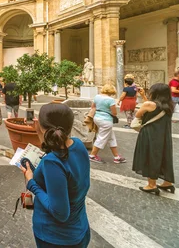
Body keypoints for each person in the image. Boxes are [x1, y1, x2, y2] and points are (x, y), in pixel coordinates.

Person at [19, 103, 91, 248]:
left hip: (56, 238)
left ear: (40, 125)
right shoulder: (78, 145)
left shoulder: (52, 162)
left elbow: (60, 213)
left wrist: (31, 182)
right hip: (79, 229)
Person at [132, 83, 175, 195]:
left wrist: (144, 99)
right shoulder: (169, 105)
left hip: (150, 134)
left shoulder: (148, 104)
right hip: (164, 135)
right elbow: (154, 108)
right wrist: (144, 97)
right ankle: (167, 182)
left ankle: (151, 184)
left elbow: (138, 115)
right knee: (164, 156)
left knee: (150, 156)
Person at [88, 84, 126, 164]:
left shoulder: (97, 97)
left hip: (97, 118)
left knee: (111, 138)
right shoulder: (110, 100)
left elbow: (93, 107)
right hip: (106, 120)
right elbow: (114, 113)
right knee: (101, 138)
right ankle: (92, 155)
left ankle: (116, 157)